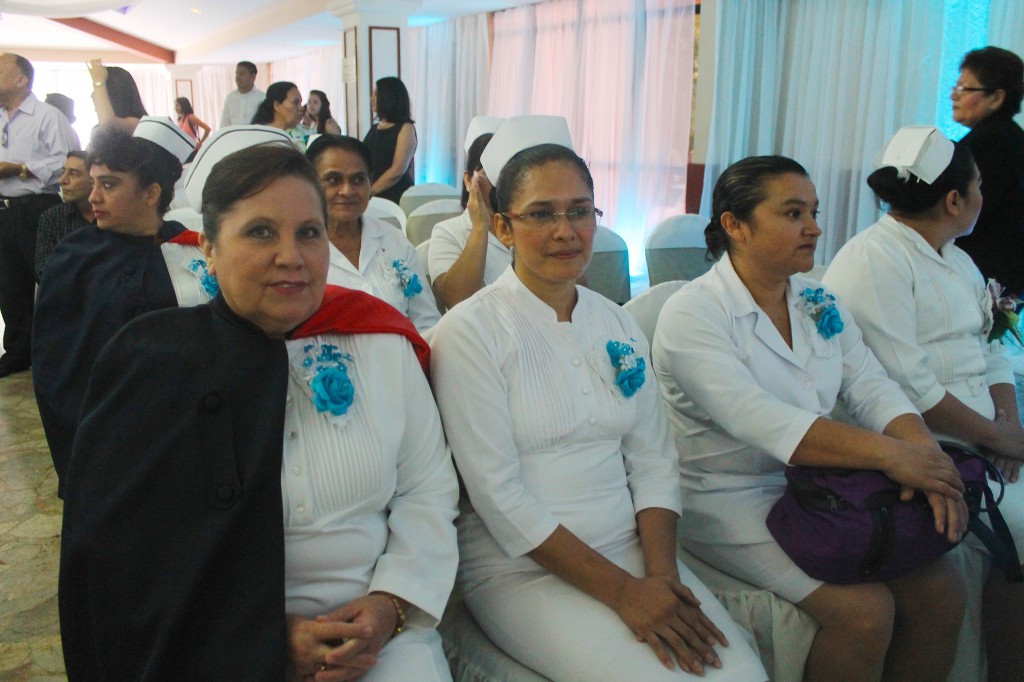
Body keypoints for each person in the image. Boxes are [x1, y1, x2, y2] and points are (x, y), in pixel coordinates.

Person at [59, 141, 458, 681]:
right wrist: (265, 640)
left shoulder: (380, 342)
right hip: (211, 643)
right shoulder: (152, 363)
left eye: (309, 233)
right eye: (261, 232)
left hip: (380, 635)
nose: (291, 256)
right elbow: (128, 562)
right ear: (209, 248)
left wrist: (391, 604)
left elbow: (427, 490)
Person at [431, 115, 767, 681]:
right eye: (541, 214)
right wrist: (624, 594)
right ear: (503, 228)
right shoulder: (469, 332)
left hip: (632, 550)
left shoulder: (617, 322)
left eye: (580, 211)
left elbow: (654, 459)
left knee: (741, 676)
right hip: (520, 569)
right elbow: (498, 497)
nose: (565, 231)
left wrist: (662, 578)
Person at [652, 155, 970, 682]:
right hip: (729, 498)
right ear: (735, 225)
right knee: (866, 612)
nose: (815, 228)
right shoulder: (695, 313)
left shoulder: (817, 299)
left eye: (814, 212)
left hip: (821, 489)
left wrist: (929, 459)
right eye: (793, 213)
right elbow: (759, 418)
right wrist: (894, 456)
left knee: (942, 588)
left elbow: (871, 385)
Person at [824, 126, 1024, 681]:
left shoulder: (959, 260)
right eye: (979, 186)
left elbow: (991, 348)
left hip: (984, 435)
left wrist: (1008, 425)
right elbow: (905, 387)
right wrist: (993, 437)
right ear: (954, 200)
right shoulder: (874, 260)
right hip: (922, 444)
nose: (985, 196)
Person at [33, 118, 196, 498]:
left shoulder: (188, 247)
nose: (93, 198)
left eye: (108, 185)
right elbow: (57, 365)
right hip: (106, 433)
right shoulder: (75, 258)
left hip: (182, 429)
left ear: (151, 193)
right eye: (93, 184)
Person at [306, 134, 439, 333]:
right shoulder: (298, 249)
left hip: (402, 352)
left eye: (358, 179)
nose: (347, 191)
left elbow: (427, 320)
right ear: (309, 184)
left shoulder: (394, 240)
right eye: (333, 180)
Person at [0, 52, 76, 378]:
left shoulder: (47, 116)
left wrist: (19, 169)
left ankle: (60, 351)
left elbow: (66, 162)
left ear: (21, 79)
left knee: (49, 281)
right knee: (8, 284)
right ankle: (17, 352)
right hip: (3, 209)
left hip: (36, 208)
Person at [950, 46, 1024, 295]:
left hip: (983, 277)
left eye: (964, 88)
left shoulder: (988, 145)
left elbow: (964, 215)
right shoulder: (1011, 137)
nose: (954, 96)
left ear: (996, 98)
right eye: (955, 87)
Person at [428, 115, 510, 310]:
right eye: (490, 174)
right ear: (468, 180)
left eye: (507, 174)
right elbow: (458, 300)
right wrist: (480, 228)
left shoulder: (526, 225)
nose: (500, 183)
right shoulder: (448, 233)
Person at [35, 150, 94, 278]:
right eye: (63, 172)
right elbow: (44, 271)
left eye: (73, 174)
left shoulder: (112, 215)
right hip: (67, 289)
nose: (63, 180)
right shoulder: (52, 218)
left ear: (93, 180)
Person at [363, 77, 416, 204]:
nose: (372, 99)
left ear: (388, 98)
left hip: (395, 196)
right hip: (373, 194)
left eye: (376, 94)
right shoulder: (375, 128)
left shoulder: (406, 128)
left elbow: (398, 169)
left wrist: (371, 191)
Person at [86, 59, 147, 133]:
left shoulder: (139, 124)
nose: (92, 96)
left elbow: (108, 124)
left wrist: (98, 81)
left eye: (100, 91)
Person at [220, 60, 264, 128]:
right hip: (234, 135)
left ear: (253, 77)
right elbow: (224, 124)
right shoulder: (230, 98)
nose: (237, 77)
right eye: (236, 73)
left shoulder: (262, 98)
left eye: (242, 74)